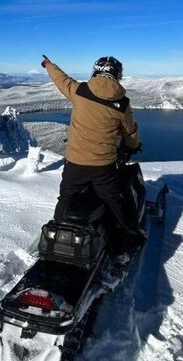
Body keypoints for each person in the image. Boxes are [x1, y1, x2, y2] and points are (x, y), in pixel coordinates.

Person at [41, 55, 144, 261]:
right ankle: (120, 248)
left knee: (66, 197)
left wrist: (49, 65)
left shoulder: (80, 91)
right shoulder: (122, 103)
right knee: (115, 202)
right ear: (117, 75)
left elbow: (61, 80)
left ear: (96, 71)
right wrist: (133, 146)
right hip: (104, 167)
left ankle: (57, 236)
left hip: (75, 164)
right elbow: (130, 132)